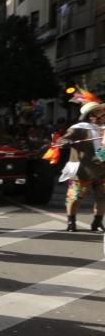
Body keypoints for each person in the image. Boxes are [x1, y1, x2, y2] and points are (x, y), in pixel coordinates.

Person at [57, 92, 105, 232]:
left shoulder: (104, 129)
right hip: (84, 169)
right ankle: (71, 221)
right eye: (100, 112)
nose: (103, 114)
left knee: (102, 196)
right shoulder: (79, 128)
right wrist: (65, 142)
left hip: (102, 169)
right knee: (76, 197)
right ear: (91, 115)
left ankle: (97, 222)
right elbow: (63, 139)